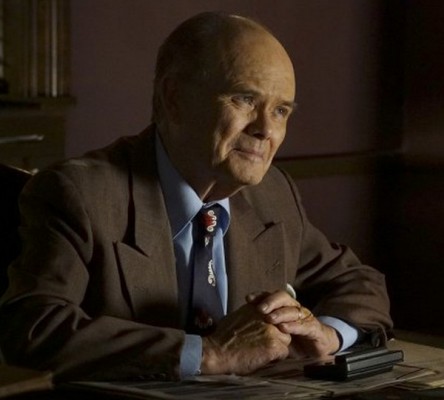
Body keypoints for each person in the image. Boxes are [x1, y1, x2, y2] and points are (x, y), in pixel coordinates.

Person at [0, 12, 392, 382]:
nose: (265, 130)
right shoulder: (81, 194)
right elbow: (33, 326)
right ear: (174, 97)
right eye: (245, 99)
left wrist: (327, 334)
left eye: (281, 111)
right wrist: (209, 354)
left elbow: (360, 283)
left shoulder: (272, 193)